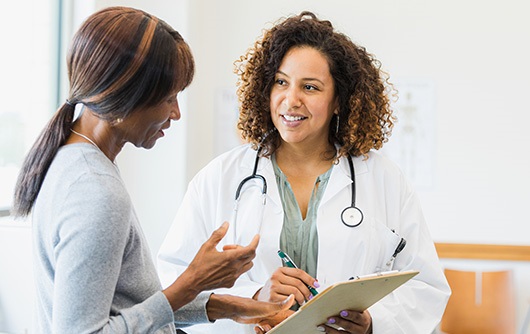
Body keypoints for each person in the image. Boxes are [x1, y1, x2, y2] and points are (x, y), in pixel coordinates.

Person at [158, 11, 450, 334]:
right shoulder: (219, 179)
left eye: (310, 87)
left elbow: (427, 288)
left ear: (338, 100)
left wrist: (371, 324)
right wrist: (254, 300)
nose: (291, 100)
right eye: (281, 82)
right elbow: (171, 287)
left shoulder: (384, 180)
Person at [12, 6, 295, 333]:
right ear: (125, 95)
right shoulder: (96, 191)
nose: (176, 113)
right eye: (168, 98)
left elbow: (126, 305)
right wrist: (189, 283)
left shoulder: (71, 157)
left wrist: (228, 306)